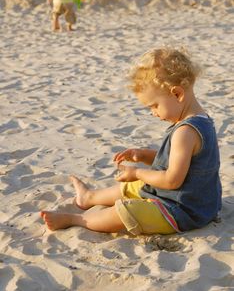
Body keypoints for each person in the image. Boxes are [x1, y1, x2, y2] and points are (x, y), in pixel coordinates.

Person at [41, 48, 222, 235]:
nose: (153, 113)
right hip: (201, 202)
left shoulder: (185, 132)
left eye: (154, 105)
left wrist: (137, 172)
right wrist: (144, 155)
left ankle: (75, 219)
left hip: (182, 211)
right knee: (135, 186)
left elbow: (172, 180)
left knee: (127, 211)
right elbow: (181, 164)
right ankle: (89, 197)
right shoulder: (202, 120)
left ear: (177, 94)